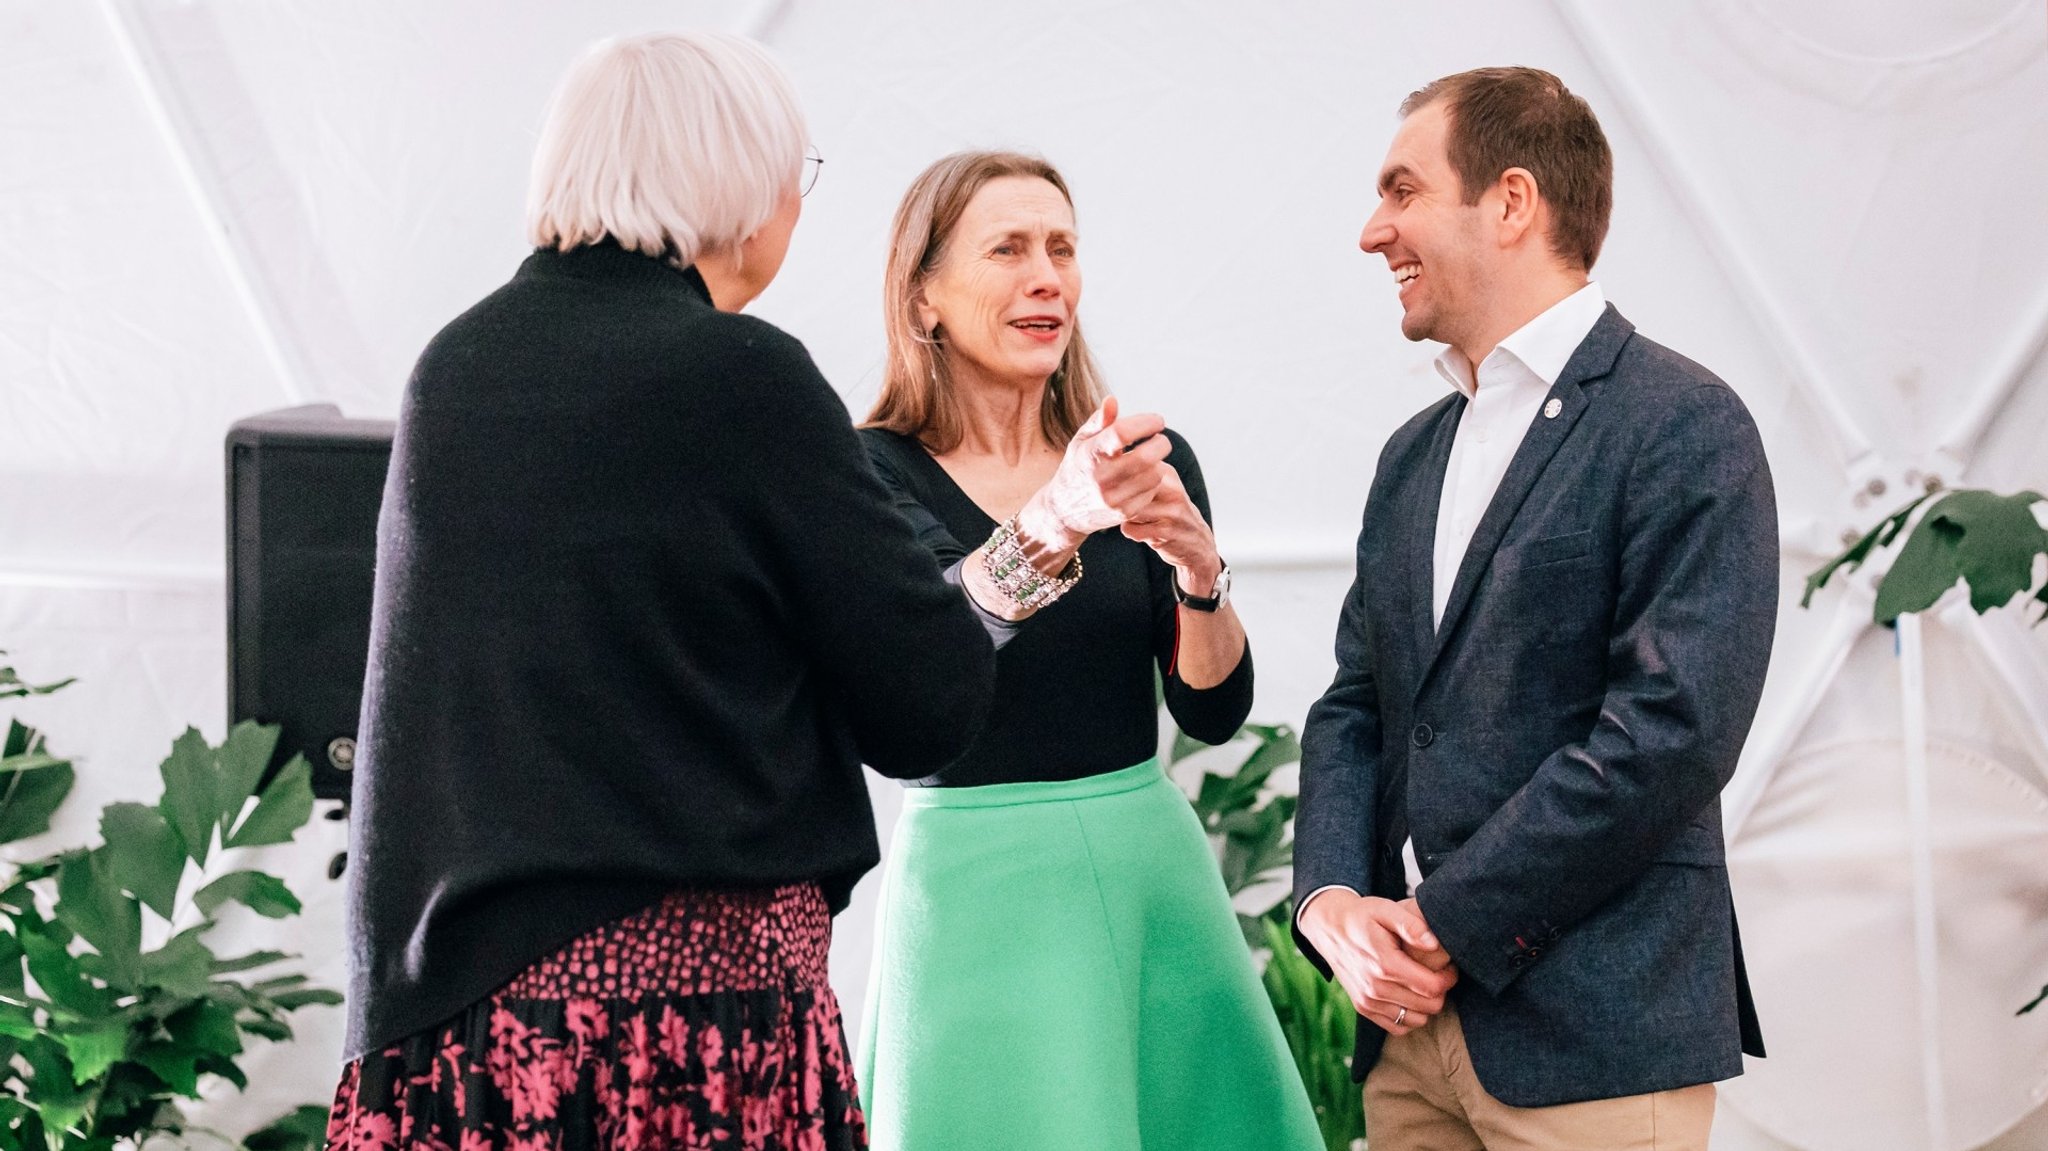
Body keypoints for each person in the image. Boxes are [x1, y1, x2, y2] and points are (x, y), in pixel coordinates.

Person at [327, 32, 1010, 1151]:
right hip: (678, 1022)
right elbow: (925, 697)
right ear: (739, 184)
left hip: (461, 1024)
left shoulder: (454, 367)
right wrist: (1020, 557)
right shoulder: (738, 373)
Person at [1291, 67, 1777, 1150]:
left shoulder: (1683, 422)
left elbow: (1671, 727)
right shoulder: (1409, 456)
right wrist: (1327, 897)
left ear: (1510, 202)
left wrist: (1441, 921)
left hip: (1592, 1038)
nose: (1373, 231)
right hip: (1410, 1045)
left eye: (1401, 190)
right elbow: (1355, 704)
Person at [853, 150, 1323, 1151]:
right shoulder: (870, 471)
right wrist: (1055, 518)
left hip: (1146, 863)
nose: (1046, 276)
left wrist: (1200, 569)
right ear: (924, 295)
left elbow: (1208, 709)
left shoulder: (1140, 457)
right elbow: (929, 653)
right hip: (976, 889)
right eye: (1009, 247)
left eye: (1061, 247)